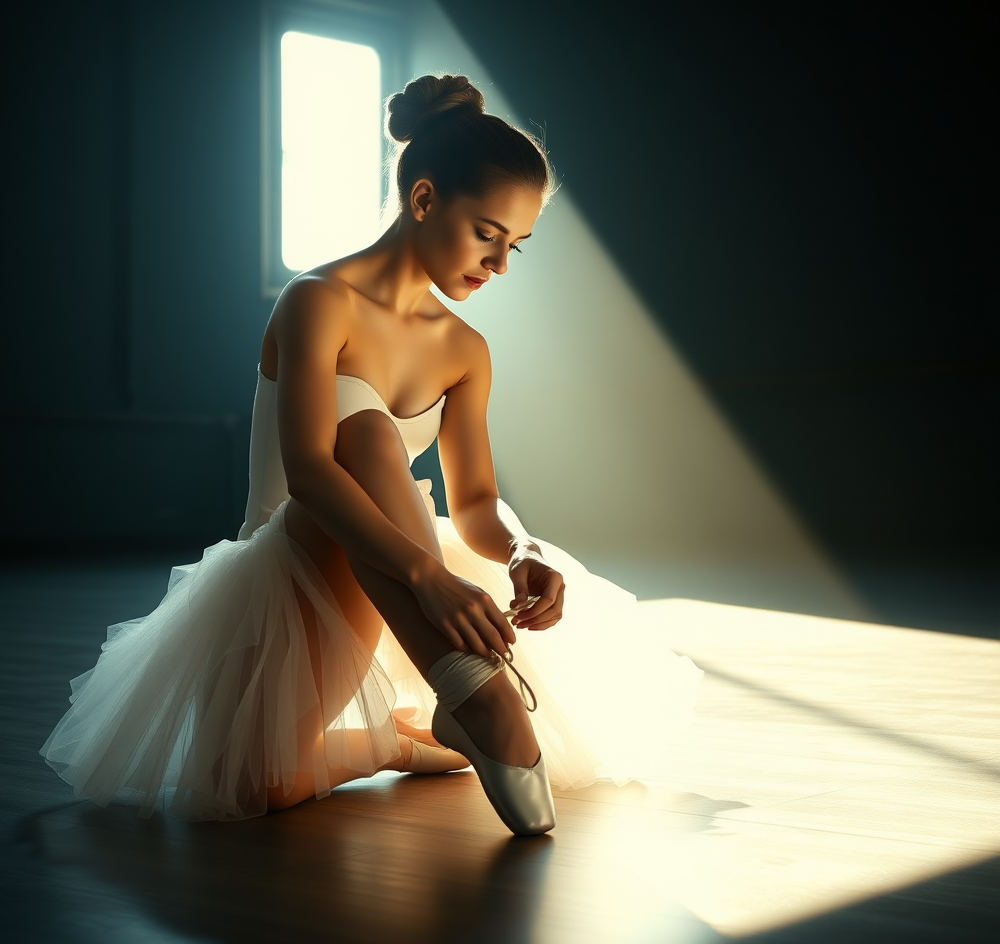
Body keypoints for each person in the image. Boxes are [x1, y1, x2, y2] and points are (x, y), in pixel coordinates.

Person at [40, 74, 702, 834]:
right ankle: (427, 730)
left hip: (398, 565)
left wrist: (521, 548)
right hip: (303, 568)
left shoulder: (465, 350)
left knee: (376, 442)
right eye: (487, 233)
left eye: (514, 246)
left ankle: (474, 698)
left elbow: (476, 502)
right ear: (424, 200)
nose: (500, 264)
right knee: (251, 785)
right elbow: (311, 472)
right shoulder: (316, 300)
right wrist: (430, 577)